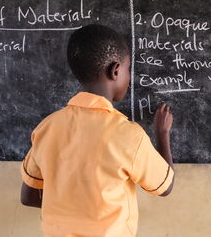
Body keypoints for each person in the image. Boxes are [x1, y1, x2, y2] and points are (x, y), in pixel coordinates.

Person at [20, 24, 174, 237]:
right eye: (128, 69)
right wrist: (163, 134)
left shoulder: (47, 128)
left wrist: (71, 206)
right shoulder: (129, 135)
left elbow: (28, 196)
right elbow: (165, 186)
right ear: (116, 70)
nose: (129, 77)